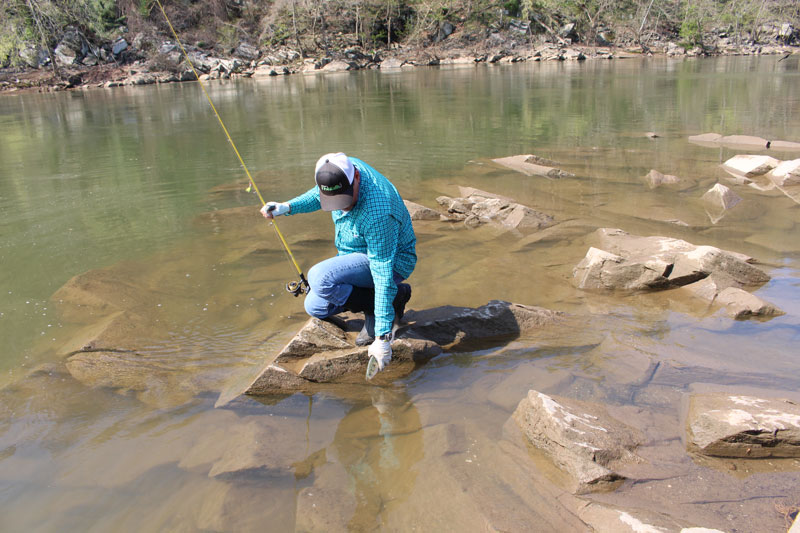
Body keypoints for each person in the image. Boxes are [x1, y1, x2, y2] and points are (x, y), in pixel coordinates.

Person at [261, 153, 416, 377]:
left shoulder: (379, 212)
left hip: (391, 263)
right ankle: (391, 298)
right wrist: (287, 206)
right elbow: (319, 194)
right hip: (355, 256)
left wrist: (383, 337)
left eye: (345, 198)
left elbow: (382, 270)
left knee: (320, 277)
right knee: (314, 307)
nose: (342, 207)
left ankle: (379, 307)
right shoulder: (338, 169)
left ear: (357, 178)